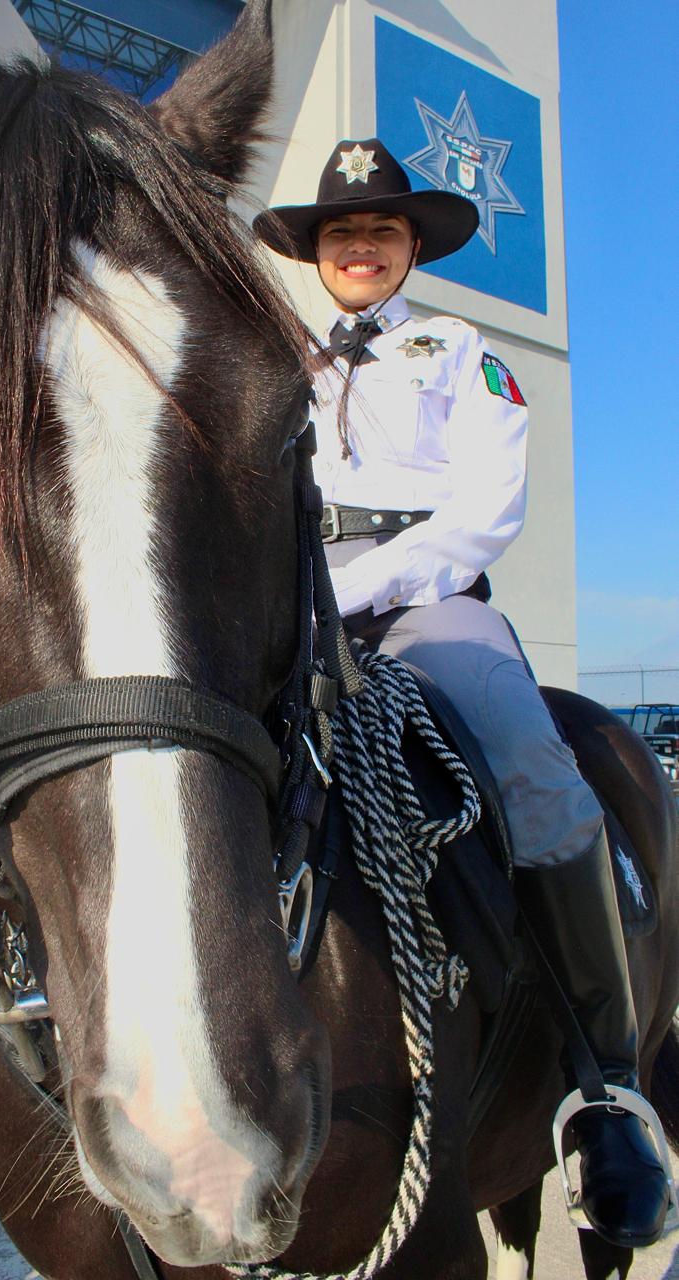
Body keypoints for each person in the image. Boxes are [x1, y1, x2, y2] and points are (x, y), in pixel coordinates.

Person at [254, 138, 670, 1249]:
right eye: (341, 231)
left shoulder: (461, 349)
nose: (359, 245)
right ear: (315, 250)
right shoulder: (268, 351)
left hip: (426, 603)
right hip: (283, 604)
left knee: (531, 760)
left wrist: (353, 586)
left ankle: (604, 1085)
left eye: (381, 230)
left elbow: (484, 508)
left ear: (407, 250)